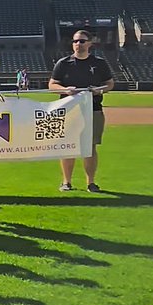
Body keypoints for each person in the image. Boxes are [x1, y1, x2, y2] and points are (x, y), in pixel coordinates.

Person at [49, 29, 115, 192]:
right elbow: (52, 85)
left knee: (90, 147)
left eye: (82, 41)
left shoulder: (99, 63)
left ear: (90, 43)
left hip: (93, 110)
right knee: (67, 146)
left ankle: (91, 182)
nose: (78, 44)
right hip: (69, 111)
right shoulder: (63, 63)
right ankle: (66, 182)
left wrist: (99, 90)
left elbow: (110, 84)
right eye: (75, 41)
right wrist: (65, 90)